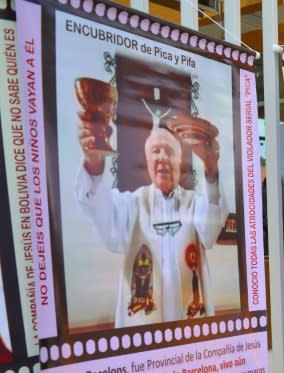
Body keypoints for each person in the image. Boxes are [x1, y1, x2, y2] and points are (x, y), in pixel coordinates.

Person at [76, 110, 227, 328]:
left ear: (179, 161)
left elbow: (211, 232)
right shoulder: (132, 204)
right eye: (156, 152)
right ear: (148, 163)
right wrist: (94, 163)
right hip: (145, 336)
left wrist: (211, 168)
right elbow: (104, 213)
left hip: (190, 331)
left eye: (169, 152)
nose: (162, 158)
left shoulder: (194, 203)